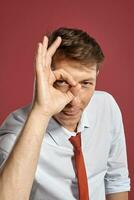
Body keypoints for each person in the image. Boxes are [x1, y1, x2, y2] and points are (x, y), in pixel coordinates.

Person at [0, 27, 130, 200]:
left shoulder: (106, 107)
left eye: (86, 83)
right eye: (61, 82)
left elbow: (116, 180)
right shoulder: (17, 132)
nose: (74, 101)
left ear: (97, 75)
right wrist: (41, 112)